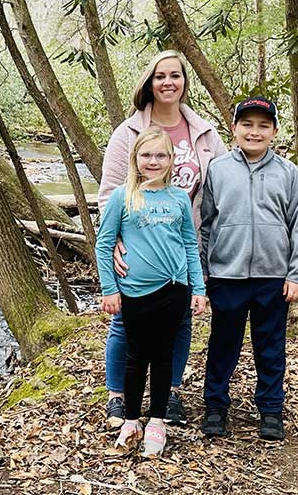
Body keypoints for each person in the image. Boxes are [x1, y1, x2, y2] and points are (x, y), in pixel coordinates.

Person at [98, 50, 226, 428]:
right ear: (148, 83)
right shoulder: (128, 133)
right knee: (125, 322)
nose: (168, 82)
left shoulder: (204, 132)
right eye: (160, 76)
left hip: (185, 242)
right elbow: (109, 192)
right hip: (136, 246)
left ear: (185, 82)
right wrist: (116, 239)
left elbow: (218, 185)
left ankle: (168, 393)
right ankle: (118, 396)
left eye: (175, 75)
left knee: (181, 322)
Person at [199, 96, 298, 441]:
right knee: (223, 344)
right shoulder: (218, 170)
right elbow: (206, 224)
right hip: (226, 275)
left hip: (272, 277)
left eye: (263, 125)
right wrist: (203, 273)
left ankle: (271, 410)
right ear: (233, 129)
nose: (254, 132)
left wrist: (297, 273)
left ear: (274, 132)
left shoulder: (288, 173)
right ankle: (216, 406)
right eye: (247, 124)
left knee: (271, 346)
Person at [96, 127, 206, 457]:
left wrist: (197, 288)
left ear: (171, 160)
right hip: (134, 292)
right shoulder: (123, 196)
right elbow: (104, 245)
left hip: (174, 290)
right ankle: (131, 419)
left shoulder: (178, 199)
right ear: (135, 159)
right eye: (147, 155)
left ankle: (157, 420)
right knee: (135, 357)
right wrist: (109, 289)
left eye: (161, 155)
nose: (153, 161)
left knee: (162, 357)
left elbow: (189, 244)